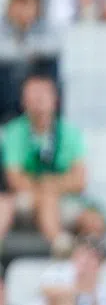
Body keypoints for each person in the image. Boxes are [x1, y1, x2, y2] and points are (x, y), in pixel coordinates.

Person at [0, 73, 88, 249]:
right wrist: (50, 187)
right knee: (4, 204)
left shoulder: (69, 133)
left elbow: (80, 181)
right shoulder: (14, 131)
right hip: (26, 200)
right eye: (32, 98)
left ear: (54, 99)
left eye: (41, 97)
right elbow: (15, 180)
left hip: (62, 201)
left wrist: (48, 187)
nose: (37, 104)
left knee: (93, 222)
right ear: (23, 102)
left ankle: (66, 252)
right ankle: (59, 245)